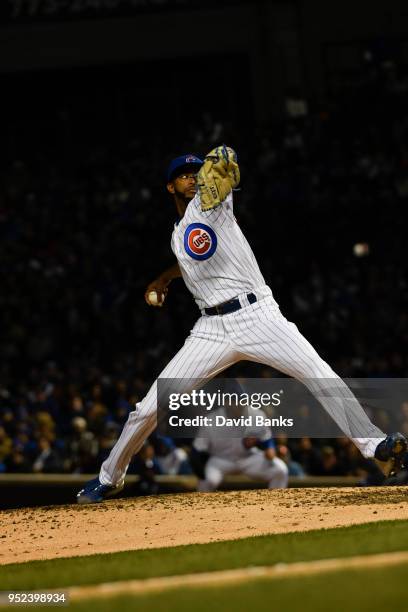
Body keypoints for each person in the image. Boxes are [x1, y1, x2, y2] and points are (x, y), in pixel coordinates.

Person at [77, 147, 407, 503]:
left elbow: (223, 160)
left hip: (258, 315)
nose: (192, 177)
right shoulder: (178, 234)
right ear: (169, 187)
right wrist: (163, 279)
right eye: (184, 175)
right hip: (210, 329)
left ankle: (376, 447)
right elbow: (188, 262)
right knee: (149, 406)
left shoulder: (213, 203)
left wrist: (220, 157)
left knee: (317, 371)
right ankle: (109, 477)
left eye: (196, 172)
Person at [192, 404, 288, 491]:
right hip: (221, 460)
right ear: (227, 403)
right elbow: (196, 451)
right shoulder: (211, 420)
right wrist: (201, 473)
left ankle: (274, 506)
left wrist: (270, 448)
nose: (240, 406)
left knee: (280, 470)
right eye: (236, 403)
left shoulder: (255, 414)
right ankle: (201, 508)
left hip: (248, 458)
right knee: (207, 481)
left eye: (243, 403)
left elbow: (266, 439)